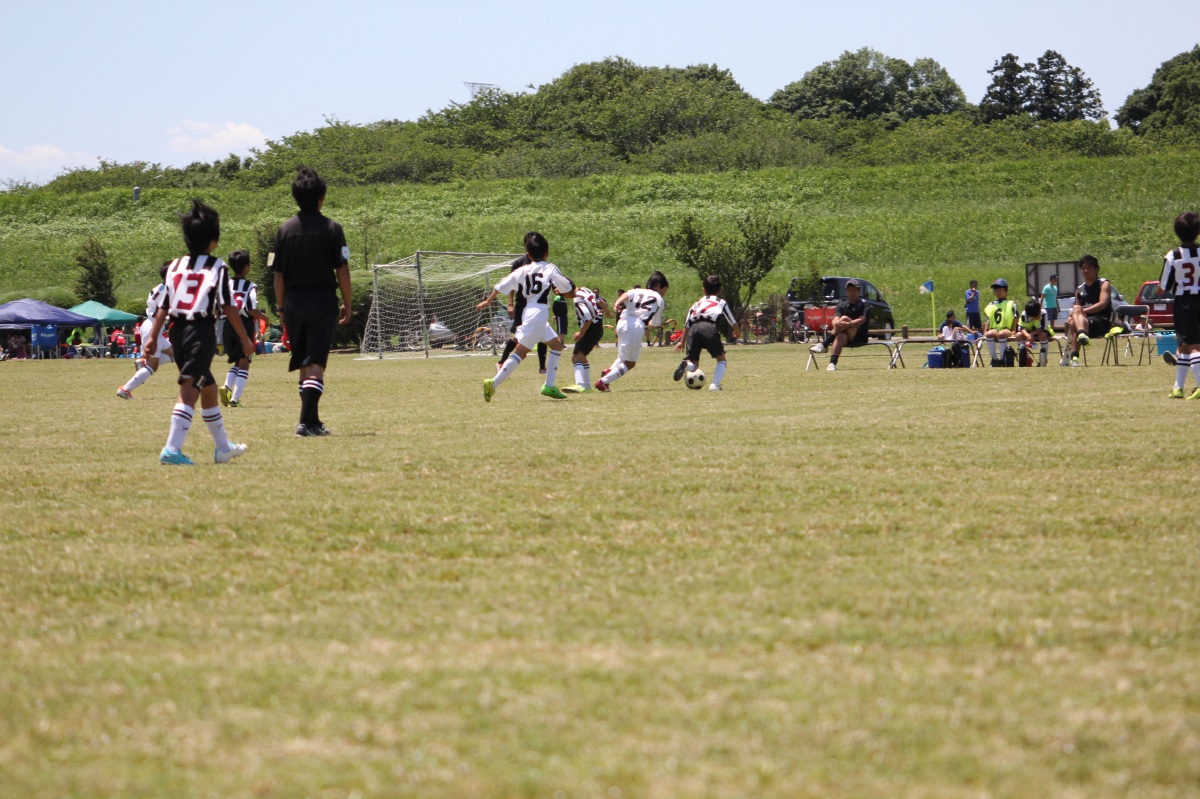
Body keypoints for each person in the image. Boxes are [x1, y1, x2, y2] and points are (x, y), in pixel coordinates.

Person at [143, 199, 253, 465]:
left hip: (177, 331)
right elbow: (228, 306)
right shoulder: (217, 267)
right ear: (214, 241)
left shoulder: (175, 266)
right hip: (200, 330)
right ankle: (172, 449)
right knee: (190, 388)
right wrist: (244, 338)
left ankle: (223, 448)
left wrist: (152, 337)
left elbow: (164, 305)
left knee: (209, 388)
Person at [272, 167, 353, 436]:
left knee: (304, 364)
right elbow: (342, 269)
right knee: (316, 363)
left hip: (294, 303)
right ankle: (304, 423)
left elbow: (278, 274)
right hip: (321, 301)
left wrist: (281, 307)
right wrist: (348, 302)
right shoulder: (332, 228)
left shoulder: (284, 230)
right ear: (322, 197)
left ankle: (314, 422)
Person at [477, 232, 574, 401]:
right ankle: (493, 383)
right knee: (521, 352)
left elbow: (501, 286)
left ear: (528, 254)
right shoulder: (550, 268)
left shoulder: (523, 270)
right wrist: (569, 291)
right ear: (547, 252)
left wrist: (487, 301)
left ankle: (549, 385)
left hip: (529, 310)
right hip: (539, 313)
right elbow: (567, 287)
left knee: (557, 346)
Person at [594, 271, 668, 391]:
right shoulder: (659, 299)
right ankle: (603, 382)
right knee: (630, 363)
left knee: (623, 356)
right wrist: (651, 325)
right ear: (659, 286)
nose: (664, 293)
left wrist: (618, 302)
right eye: (665, 290)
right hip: (635, 325)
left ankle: (609, 371)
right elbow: (654, 324)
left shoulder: (637, 290)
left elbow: (626, 295)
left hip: (622, 322)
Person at [218, 250, 271, 408]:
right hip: (244, 325)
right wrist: (265, 318)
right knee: (245, 362)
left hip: (228, 325)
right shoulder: (251, 286)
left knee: (237, 361)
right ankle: (235, 399)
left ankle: (227, 386)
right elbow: (251, 308)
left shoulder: (226, 284)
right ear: (247, 267)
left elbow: (218, 306)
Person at [117, 262, 174, 399]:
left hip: (151, 326)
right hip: (153, 329)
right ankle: (125, 389)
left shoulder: (160, 288)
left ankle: (143, 363)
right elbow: (162, 312)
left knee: (177, 355)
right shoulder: (165, 291)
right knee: (152, 367)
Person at [672, 274, 738, 390]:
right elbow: (731, 320)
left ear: (703, 290)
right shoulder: (721, 302)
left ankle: (687, 365)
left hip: (694, 328)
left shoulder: (697, 303)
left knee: (694, 364)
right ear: (720, 290)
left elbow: (687, 324)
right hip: (709, 327)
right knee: (721, 359)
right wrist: (737, 331)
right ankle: (714, 385)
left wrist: (682, 342)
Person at [1161, 212, 1200, 398]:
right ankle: (1178, 387)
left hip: (1184, 302)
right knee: (1184, 345)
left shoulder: (1173, 255)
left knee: (1193, 345)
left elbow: (1164, 285)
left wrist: (1163, 288)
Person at [496, 253, 548, 375]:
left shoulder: (543, 265)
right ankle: (501, 362)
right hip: (522, 304)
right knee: (517, 335)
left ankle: (542, 367)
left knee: (542, 334)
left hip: (538, 306)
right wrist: (510, 304)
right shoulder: (519, 263)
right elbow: (510, 284)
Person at [1065, 254, 1117, 367]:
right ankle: (1075, 355)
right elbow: (1077, 310)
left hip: (1101, 321)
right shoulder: (1079, 289)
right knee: (1073, 320)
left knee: (1076, 313)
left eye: (1089, 268)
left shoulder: (1103, 284)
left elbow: (1103, 304)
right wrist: (1072, 315)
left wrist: (1082, 311)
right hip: (1084, 323)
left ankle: (1075, 353)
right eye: (1083, 268)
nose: (1085, 271)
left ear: (1096, 269)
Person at [808, 278, 870, 371]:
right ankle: (832, 363)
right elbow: (835, 319)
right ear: (846, 291)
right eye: (850, 290)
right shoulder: (841, 305)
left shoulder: (865, 305)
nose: (852, 292)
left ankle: (825, 344)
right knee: (840, 336)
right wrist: (836, 323)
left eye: (854, 290)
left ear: (859, 291)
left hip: (859, 335)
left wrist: (848, 324)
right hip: (845, 335)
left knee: (844, 318)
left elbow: (862, 320)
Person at [562, 284, 607, 393]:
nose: (564, 297)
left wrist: (581, 333)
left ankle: (580, 385)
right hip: (597, 326)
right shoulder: (585, 289)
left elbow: (588, 317)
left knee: (576, 357)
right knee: (581, 356)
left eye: (563, 294)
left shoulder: (577, 298)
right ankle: (586, 386)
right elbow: (601, 302)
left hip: (590, 328)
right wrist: (607, 312)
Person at [982, 278, 1019, 366]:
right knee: (989, 334)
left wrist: (1014, 331)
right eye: (996, 289)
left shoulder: (1011, 303)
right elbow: (988, 319)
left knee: (1001, 334)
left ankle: (1002, 359)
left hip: (1006, 329)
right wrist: (985, 331)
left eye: (1000, 289)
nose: (998, 291)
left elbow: (1015, 318)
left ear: (1006, 290)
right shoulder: (991, 304)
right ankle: (994, 359)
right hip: (994, 328)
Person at [1014, 298, 1052, 366]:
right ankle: (1025, 358)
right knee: (1018, 335)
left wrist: (1032, 334)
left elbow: (1043, 328)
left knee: (1043, 335)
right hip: (1028, 331)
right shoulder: (1024, 314)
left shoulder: (1044, 313)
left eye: (1037, 315)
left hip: (1040, 331)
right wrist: (1027, 335)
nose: (1036, 317)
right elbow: (1021, 327)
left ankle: (1043, 358)